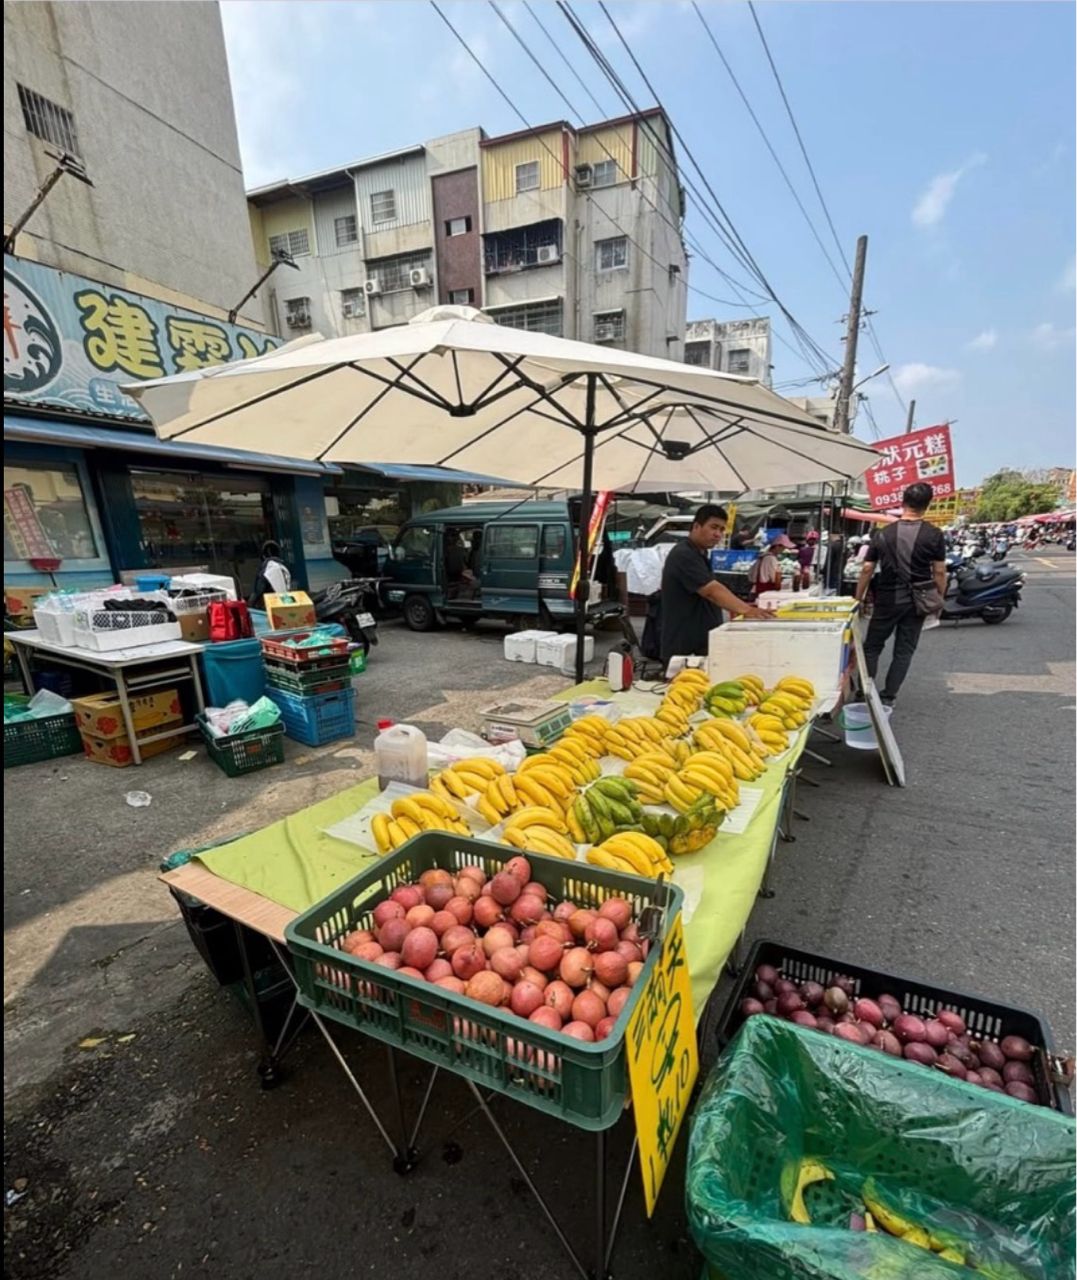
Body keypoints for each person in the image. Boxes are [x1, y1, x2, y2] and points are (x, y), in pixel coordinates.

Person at [854, 483, 947, 707]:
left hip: (886, 599)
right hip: (917, 602)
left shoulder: (882, 534)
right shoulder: (933, 534)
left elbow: (867, 568)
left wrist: (858, 598)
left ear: (903, 502)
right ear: (927, 505)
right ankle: (888, 696)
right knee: (903, 651)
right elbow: (940, 571)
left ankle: (864, 691)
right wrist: (939, 598)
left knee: (872, 647)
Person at [659, 503, 774, 666]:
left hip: (700, 641)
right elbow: (711, 590)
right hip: (684, 647)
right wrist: (747, 610)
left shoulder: (700, 553)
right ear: (696, 526)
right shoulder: (684, 554)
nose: (718, 534)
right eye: (714, 527)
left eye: (721, 529)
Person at [249, 540, 292, 608]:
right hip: (287, 603)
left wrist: (250, 606)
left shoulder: (266, 569)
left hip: (271, 607)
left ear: (263, 556)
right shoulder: (284, 568)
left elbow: (258, 591)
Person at [747, 535, 792, 600]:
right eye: (783, 548)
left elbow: (750, 575)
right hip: (765, 593)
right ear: (777, 546)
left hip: (754, 591)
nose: (783, 550)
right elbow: (774, 578)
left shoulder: (761, 557)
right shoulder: (771, 559)